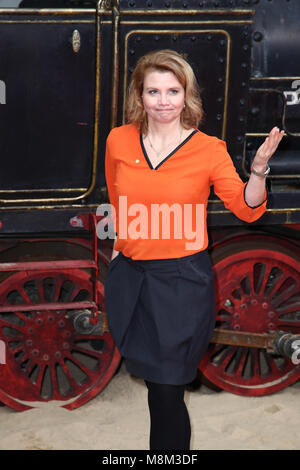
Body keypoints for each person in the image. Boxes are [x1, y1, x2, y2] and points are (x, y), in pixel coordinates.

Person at [104, 49, 284, 450]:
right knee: (155, 389)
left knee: (168, 389)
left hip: (181, 284)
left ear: (186, 96)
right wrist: (118, 254)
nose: (163, 100)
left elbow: (247, 208)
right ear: (140, 95)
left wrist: (258, 171)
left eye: (173, 90)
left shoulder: (208, 149)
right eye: (154, 91)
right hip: (131, 280)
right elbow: (117, 201)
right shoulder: (118, 140)